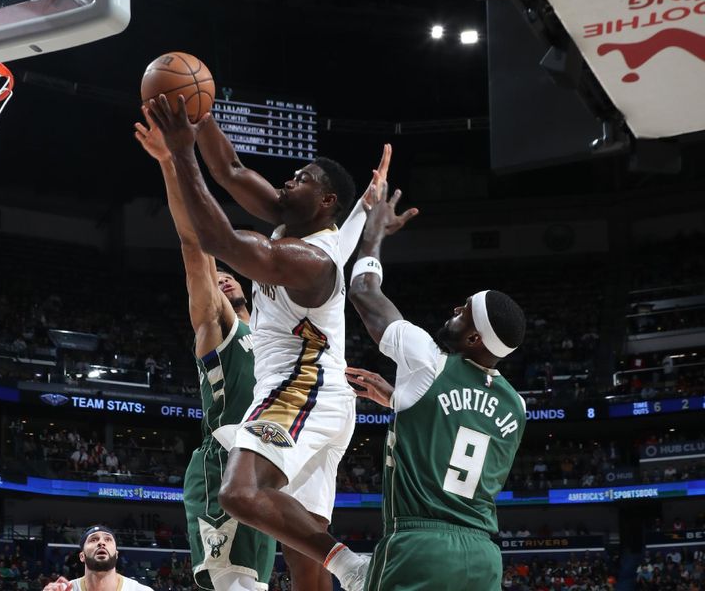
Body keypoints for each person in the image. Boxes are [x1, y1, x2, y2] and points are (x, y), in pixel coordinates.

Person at [146, 95, 413, 591]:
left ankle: (354, 566)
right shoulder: (296, 218)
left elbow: (219, 242)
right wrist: (200, 117)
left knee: (240, 494)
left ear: (326, 202)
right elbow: (229, 168)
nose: (290, 181)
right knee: (301, 554)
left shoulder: (311, 259)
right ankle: (340, 565)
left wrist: (182, 153)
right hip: (321, 397)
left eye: (304, 179)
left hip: (300, 391)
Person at [341, 186, 528, 590]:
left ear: (475, 339)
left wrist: (374, 232)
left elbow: (364, 293)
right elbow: (458, 430)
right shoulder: (516, 406)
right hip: (482, 558)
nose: (454, 311)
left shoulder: (428, 359)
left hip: (419, 544)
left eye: (463, 312)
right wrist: (399, 399)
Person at [134, 108, 275, 591]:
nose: (221, 277)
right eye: (216, 279)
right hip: (224, 466)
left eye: (228, 273)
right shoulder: (218, 326)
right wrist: (173, 164)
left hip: (267, 474)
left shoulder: (277, 337)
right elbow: (194, 245)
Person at [42, 526, 152, 591]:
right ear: (82, 556)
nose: (101, 543)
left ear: (117, 555)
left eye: (108, 539)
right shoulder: (66, 590)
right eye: (93, 539)